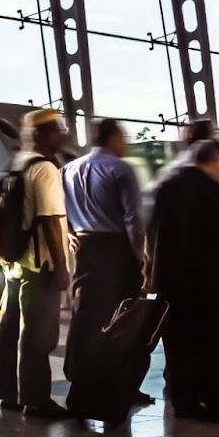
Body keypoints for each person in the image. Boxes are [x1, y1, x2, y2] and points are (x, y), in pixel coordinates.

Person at [152, 140, 219, 421]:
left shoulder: (167, 186)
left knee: (178, 345)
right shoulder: (212, 189)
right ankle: (218, 405)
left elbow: (152, 230)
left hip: (170, 279)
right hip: (204, 279)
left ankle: (184, 403)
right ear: (214, 161)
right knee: (212, 343)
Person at [0, 109, 72, 419]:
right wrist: (62, 266)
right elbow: (51, 220)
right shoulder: (44, 169)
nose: (62, 135)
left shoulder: (15, 165)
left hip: (15, 264)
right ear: (41, 134)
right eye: (57, 129)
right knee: (38, 334)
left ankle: (9, 393)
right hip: (40, 265)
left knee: (11, 328)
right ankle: (36, 399)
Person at [61, 120, 145, 386]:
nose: (125, 143)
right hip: (116, 248)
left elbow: (60, 212)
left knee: (85, 313)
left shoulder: (67, 170)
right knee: (123, 317)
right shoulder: (121, 169)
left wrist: (70, 233)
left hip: (84, 248)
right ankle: (119, 381)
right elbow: (133, 218)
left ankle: (79, 375)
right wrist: (140, 256)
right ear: (113, 138)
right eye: (123, 137)